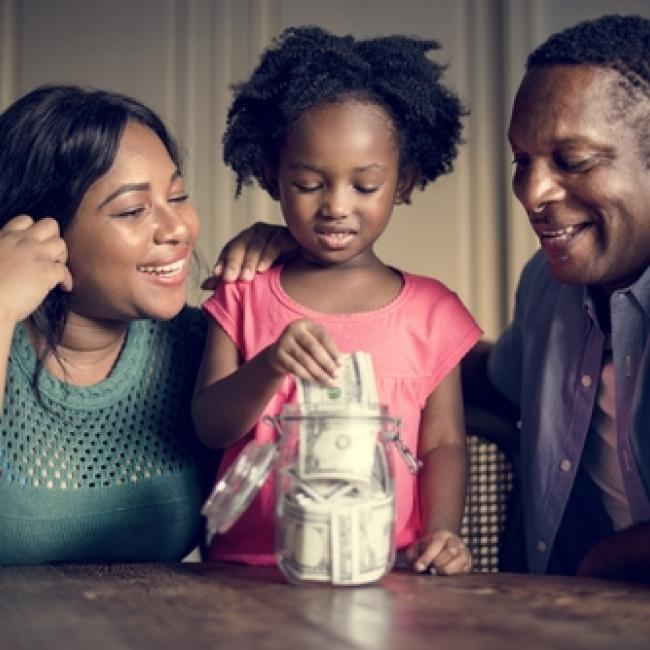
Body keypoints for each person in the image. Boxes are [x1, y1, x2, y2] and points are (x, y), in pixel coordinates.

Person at [213, 14, 650, 581]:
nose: (532, 193)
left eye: (572, 160)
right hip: (557, 611)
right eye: (522, 162)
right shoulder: (547, 290)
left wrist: (610, 560)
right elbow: (481, 377)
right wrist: (294, 260)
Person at [193, 26, 482, 575]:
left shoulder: (433, 311)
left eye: (364, 186)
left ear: (404, 182)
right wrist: (272, 364)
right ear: (271, 177)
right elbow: (210, 425)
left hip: (390, 571)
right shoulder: (244, 293)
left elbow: (443, 441)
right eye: (308, 184)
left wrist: (444, 532)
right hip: (248, 575)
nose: (336, 206)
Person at [0, 84, 217, 564]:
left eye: (177, 197)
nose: (178, 228)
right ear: (41, 232)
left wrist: (296, 267)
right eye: (133, 210)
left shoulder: (203, 345)